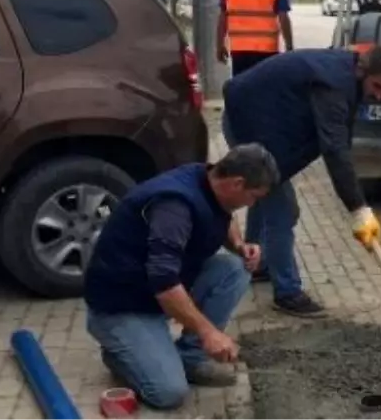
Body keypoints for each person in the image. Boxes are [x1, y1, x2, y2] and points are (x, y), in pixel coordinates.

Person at [83, 144, 279, 409]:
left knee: (234, 268)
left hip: (155, 292)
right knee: (169, 393)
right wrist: (209, 332)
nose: (252, 203)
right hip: (122, 306)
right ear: (237, 183)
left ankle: (189, 357)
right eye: (253, 196)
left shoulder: (209, 179)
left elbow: (223, 214)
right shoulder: (174, 207)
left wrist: (239, 245)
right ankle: (119, 355)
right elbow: (164, 284)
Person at [221, 46, 381, 316]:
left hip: (262, 120)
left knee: (265, 198)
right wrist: (359, 209)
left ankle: (258, 264)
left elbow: (341, 139)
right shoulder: (333, 84)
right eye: (377, 86)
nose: (378, 95)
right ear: (363, 70)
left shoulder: (349, 73)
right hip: (247, 123)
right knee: (283, 211)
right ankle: (287, 293)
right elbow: (334, 150)